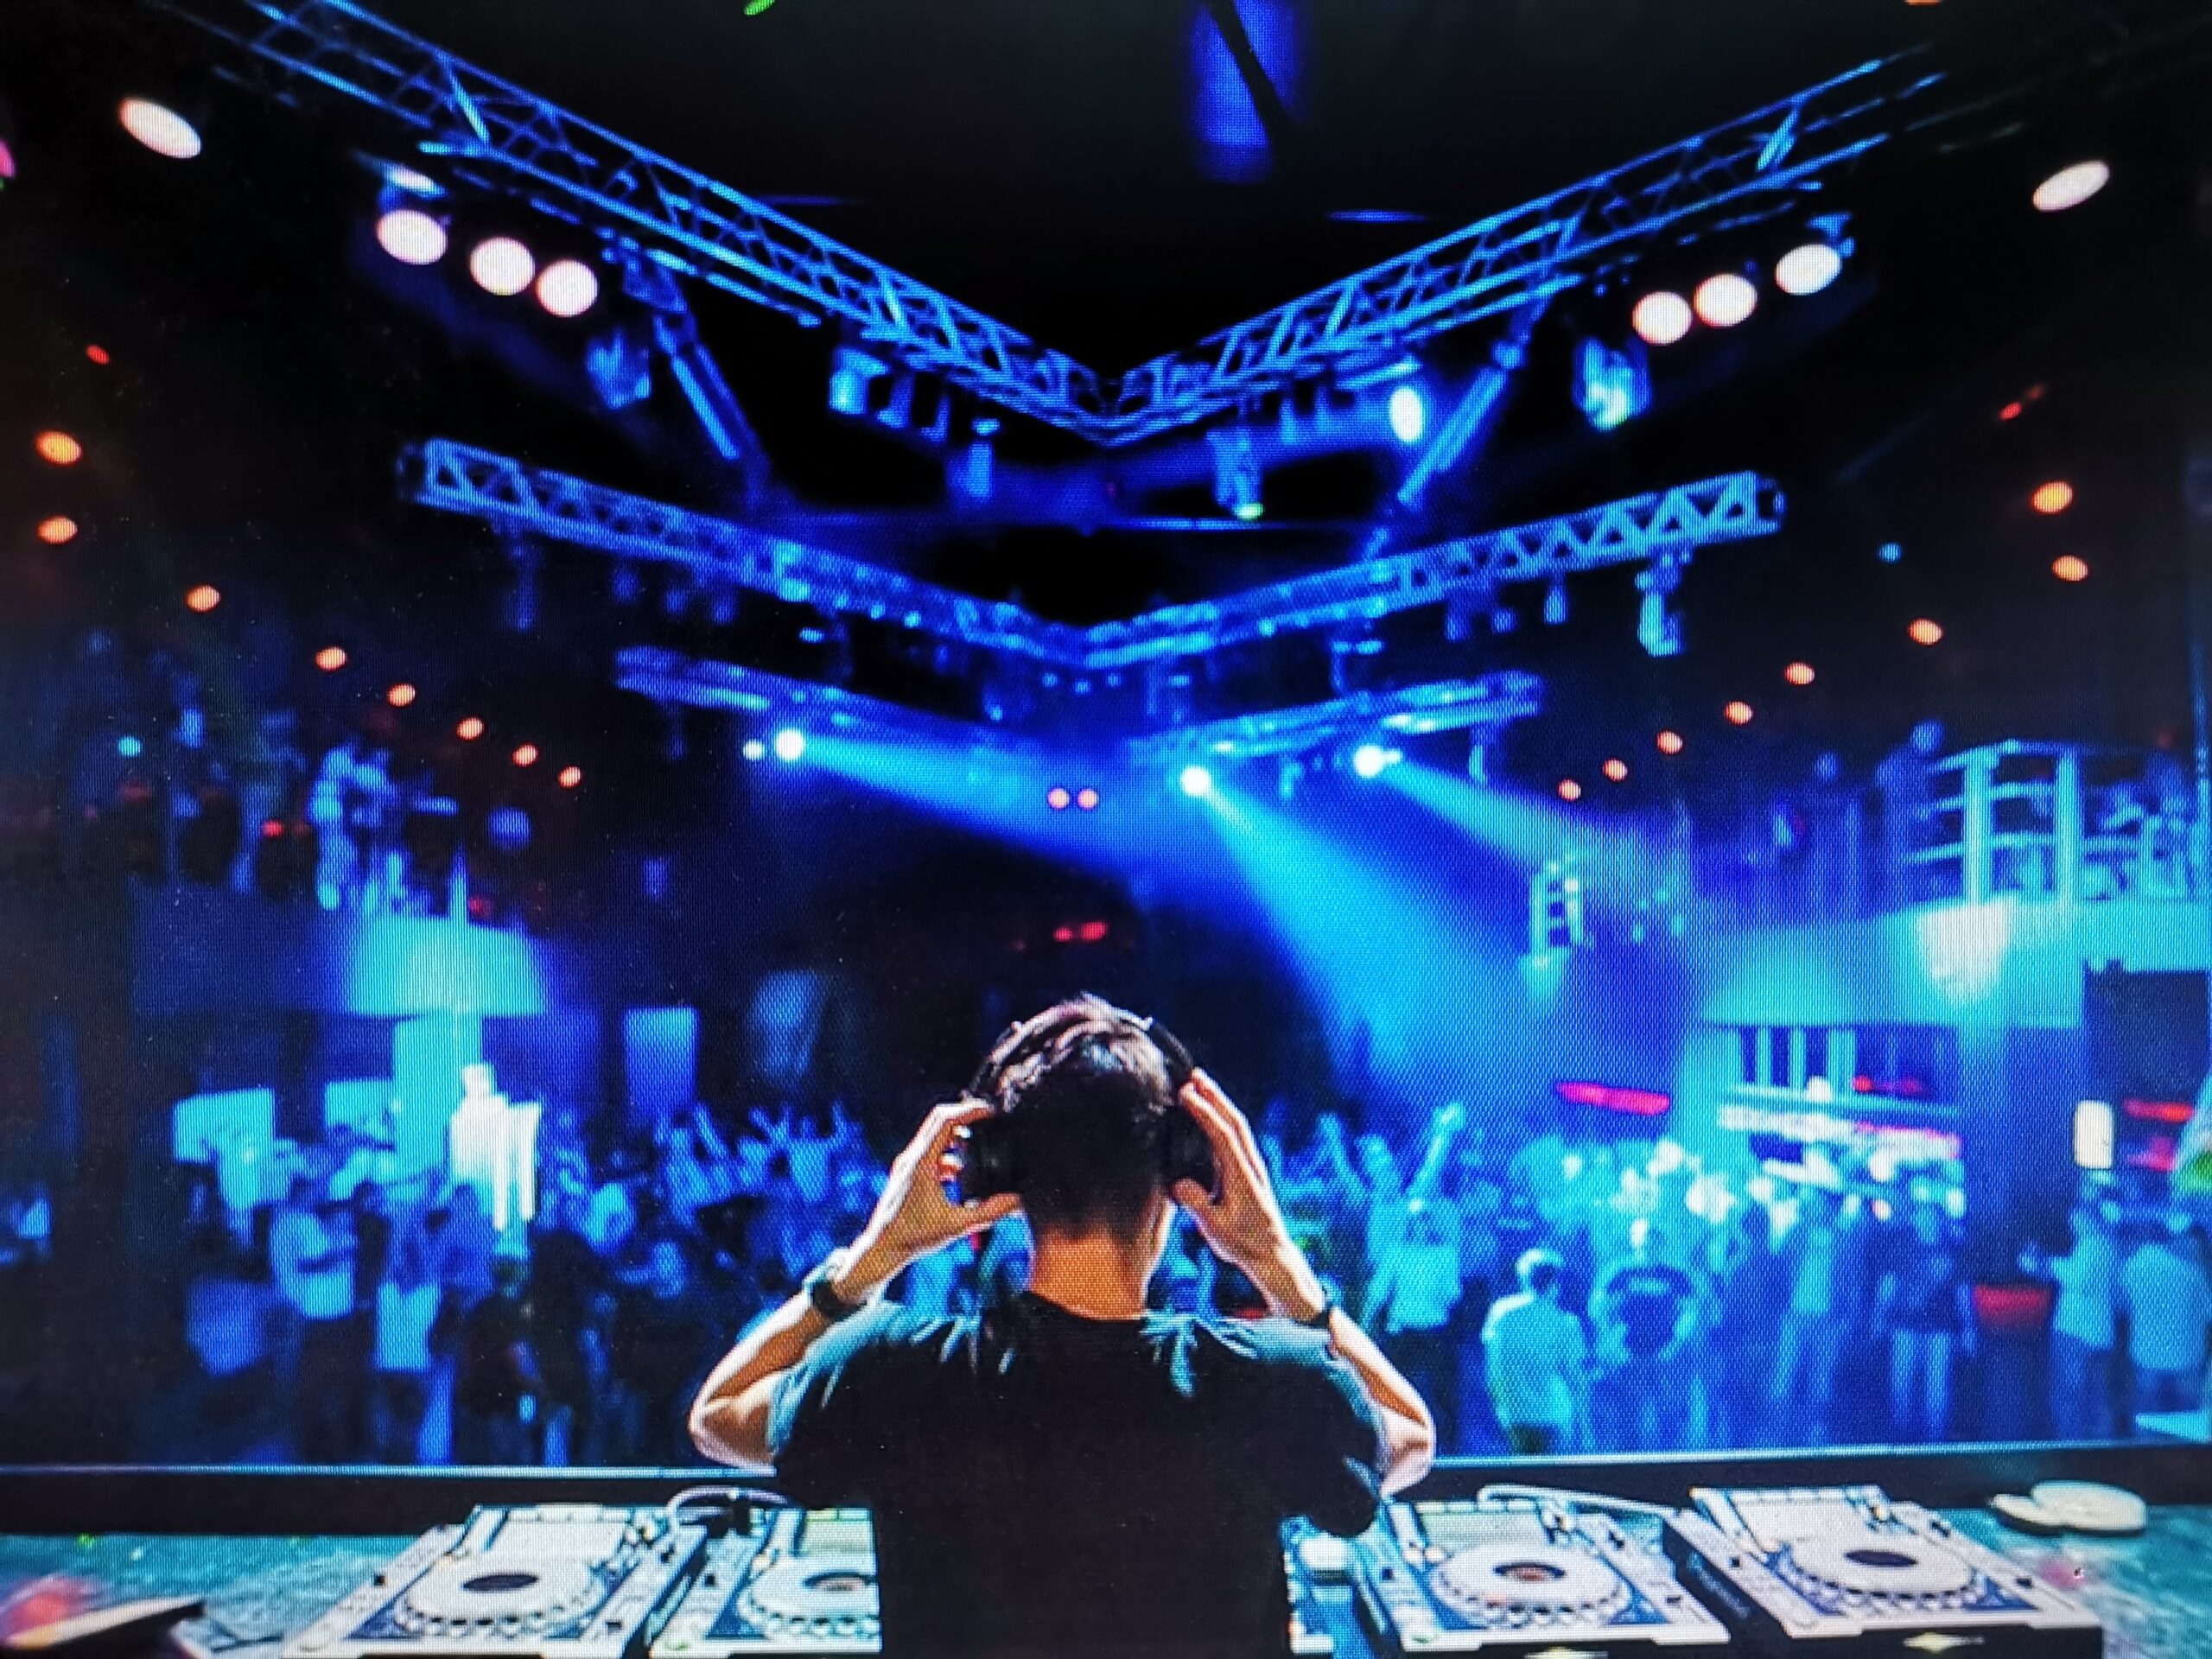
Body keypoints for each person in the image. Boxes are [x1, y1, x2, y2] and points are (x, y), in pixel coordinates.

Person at [690, 998, 1433, 1659]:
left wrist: (872, 1257)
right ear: (1179, 1178)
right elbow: (1411, 1436)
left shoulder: (887, 1370)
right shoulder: (1270, 1382)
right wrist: (1276, 1263)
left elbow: (717, 1416)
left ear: (1002, 1179)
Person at [269, 1173, 360, 1462]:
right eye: (312, 1193)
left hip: (322, 1315)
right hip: (307, 1314)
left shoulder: (305, 1225)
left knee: (322, 1379)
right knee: (306, 1379)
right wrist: (337, 1256)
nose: (316, 1197)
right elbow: (308, 1264)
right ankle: (303, 1442)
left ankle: (321, 1442)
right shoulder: (299, 1223)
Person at [1363, 1197, 1465, 1450]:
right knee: (1395, 1390)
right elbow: (1378, 1292)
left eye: (1425, 1220)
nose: (1421, 1226)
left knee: (1443, 1393)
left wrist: (1439, 1294)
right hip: (1402, 1331)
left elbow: (1453, 1294)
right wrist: (1365, 1325)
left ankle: (1449, 1446)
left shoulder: (1445, 1254)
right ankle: (1393, 1442)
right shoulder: (1397, 1253)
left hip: (1434, 1331)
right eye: (1416, 1221)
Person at [1590, 1217, 1698, 1452]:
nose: (1649, 1246)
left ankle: (1671, 1463)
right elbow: (1599, 1309)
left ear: (1661, 1243)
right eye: (1644, 1241)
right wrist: (1614, 1344)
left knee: (1669, 1418)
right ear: (1634, 1242)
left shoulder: (1674, 1275)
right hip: (1630, 1357)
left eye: (1654, 1241)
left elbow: (1690, 1311)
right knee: (1629, 1419)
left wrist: (1676, 1343)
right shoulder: (1620, 1273)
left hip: (1666, 1357)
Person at [1873, 1206, 1972, 1442]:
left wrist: (1968, 1327)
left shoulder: (1952, 1249)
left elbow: (1962, 1291)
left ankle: (1934, 1440)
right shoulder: (1903, 1246)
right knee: (1901, 1382)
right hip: (1906, 1323)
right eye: (1921, 1216)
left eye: (1930, 1217)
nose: (1925, 1221)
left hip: (1941, 1326)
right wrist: (1880, 1316)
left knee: (1937, 1387)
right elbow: (1889, 1283)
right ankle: (1900, 1436)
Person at [1480, 1249, 1587, 1455]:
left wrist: (1500, 1407)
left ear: (1523, 1278)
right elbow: (1574, 1376)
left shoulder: (1502, 1314)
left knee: (1521, 1469)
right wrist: (1585, 1427)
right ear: (1556, 1283)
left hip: (1515, 1413)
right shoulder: (1566, 1323)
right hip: (1554, 1413)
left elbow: (1494, 1370)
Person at [2032, 1202, 2120, 1439]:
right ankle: (2102, 1449)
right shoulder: (2108, 1246)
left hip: (2076, 1333)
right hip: (2101, 1335)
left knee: (2069, 1396)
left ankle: (2071, 1450)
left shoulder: (2091, 1245)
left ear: (2086, 1219)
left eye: (2075, 1219)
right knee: (2096, 1399)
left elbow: (2076, 1279)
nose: (2071, 1225)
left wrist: (2045, 1261)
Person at [452, 1253, 544, 1465]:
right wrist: (535, 1386)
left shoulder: (479, 1309)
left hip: (481, 1402)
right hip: (503, 1405)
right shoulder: (514, 1312)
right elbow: (516, 1356)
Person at [2121, 1216, 2212, 1420]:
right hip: (2186, 1360)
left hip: (2147, 1358)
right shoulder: (2194, 1272)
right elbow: (2209, 1314)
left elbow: (2123, 1298)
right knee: (2187, 1424)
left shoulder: (2138, 1262)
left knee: (2147, 1421)